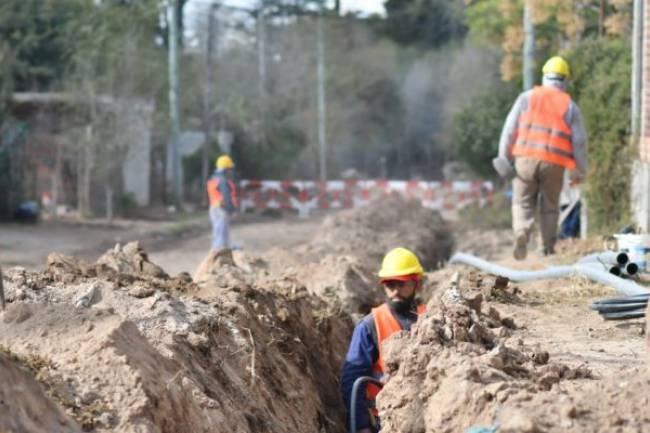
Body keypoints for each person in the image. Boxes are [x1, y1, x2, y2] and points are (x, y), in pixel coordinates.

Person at [493, 55, 588, 260]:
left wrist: (503, 155)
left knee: (522, 202)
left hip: (524, 161)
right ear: (566, 79)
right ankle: (546, 248)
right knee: (550, 207)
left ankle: (521, 232)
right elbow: (579, 141)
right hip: (554, 164)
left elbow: (509, 128)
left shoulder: (526, 97)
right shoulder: (570, 106)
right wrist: (580, 169)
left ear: (545, 76)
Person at [340, 247, 427, 433]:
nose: (395, 291)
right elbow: (352, 378)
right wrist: (362, 425)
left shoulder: (432, 318)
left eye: (402, 284)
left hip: (429, 413)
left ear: (417, 284)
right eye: (390, 285)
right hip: (386, 420)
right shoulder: (370, 325)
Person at [206, 155, 238, 250]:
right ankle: (218, 253)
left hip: (214, 208)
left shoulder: (213, 179)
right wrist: (231, 210)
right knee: (221, 233)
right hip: (221, 209)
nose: (231, 171)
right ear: (226, 169)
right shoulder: (223, 181)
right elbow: (226, 197)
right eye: (229, 169)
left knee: (219, 232)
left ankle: (225, 249)